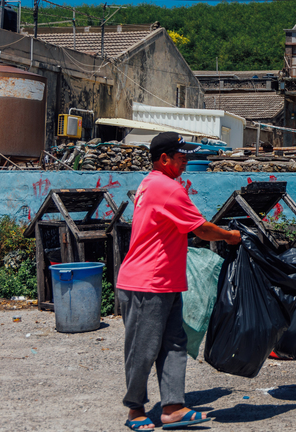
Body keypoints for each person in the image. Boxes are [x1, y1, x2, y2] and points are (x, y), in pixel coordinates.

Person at [117, 132, 242, 431]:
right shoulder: (167, 188)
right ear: (164, 159)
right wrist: (229, 236)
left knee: (175, 344)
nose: (186, 160)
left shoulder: (149, 182)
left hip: (166, 281)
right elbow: (202, 230)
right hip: (146, 282)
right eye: (181, 155)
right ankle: (135, 410)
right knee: (143, 350)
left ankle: (172, 407)